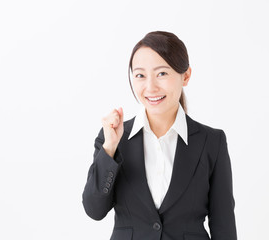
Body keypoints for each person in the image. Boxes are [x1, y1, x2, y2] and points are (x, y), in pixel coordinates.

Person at [82, 31, 237, 240]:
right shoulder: (113, 138)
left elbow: (224, 226)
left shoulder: (211, 142)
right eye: (140, 75)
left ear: (186, 75)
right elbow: (94, 210)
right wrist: (109, 149)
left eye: (162, 73)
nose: (150, 87)